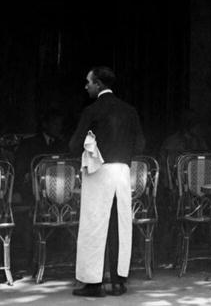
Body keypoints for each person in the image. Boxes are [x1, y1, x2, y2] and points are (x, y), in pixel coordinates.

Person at [68, 66, 145, 298]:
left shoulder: (92, 110)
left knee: (94, 225)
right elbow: (140, 144)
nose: (86, 86)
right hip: (122, 172)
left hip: (99, 171)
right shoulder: (130, 110)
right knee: (119, 225)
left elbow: (74, 145)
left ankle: (94, 284)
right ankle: (119, 281)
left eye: (89, 82)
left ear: (99, 84)